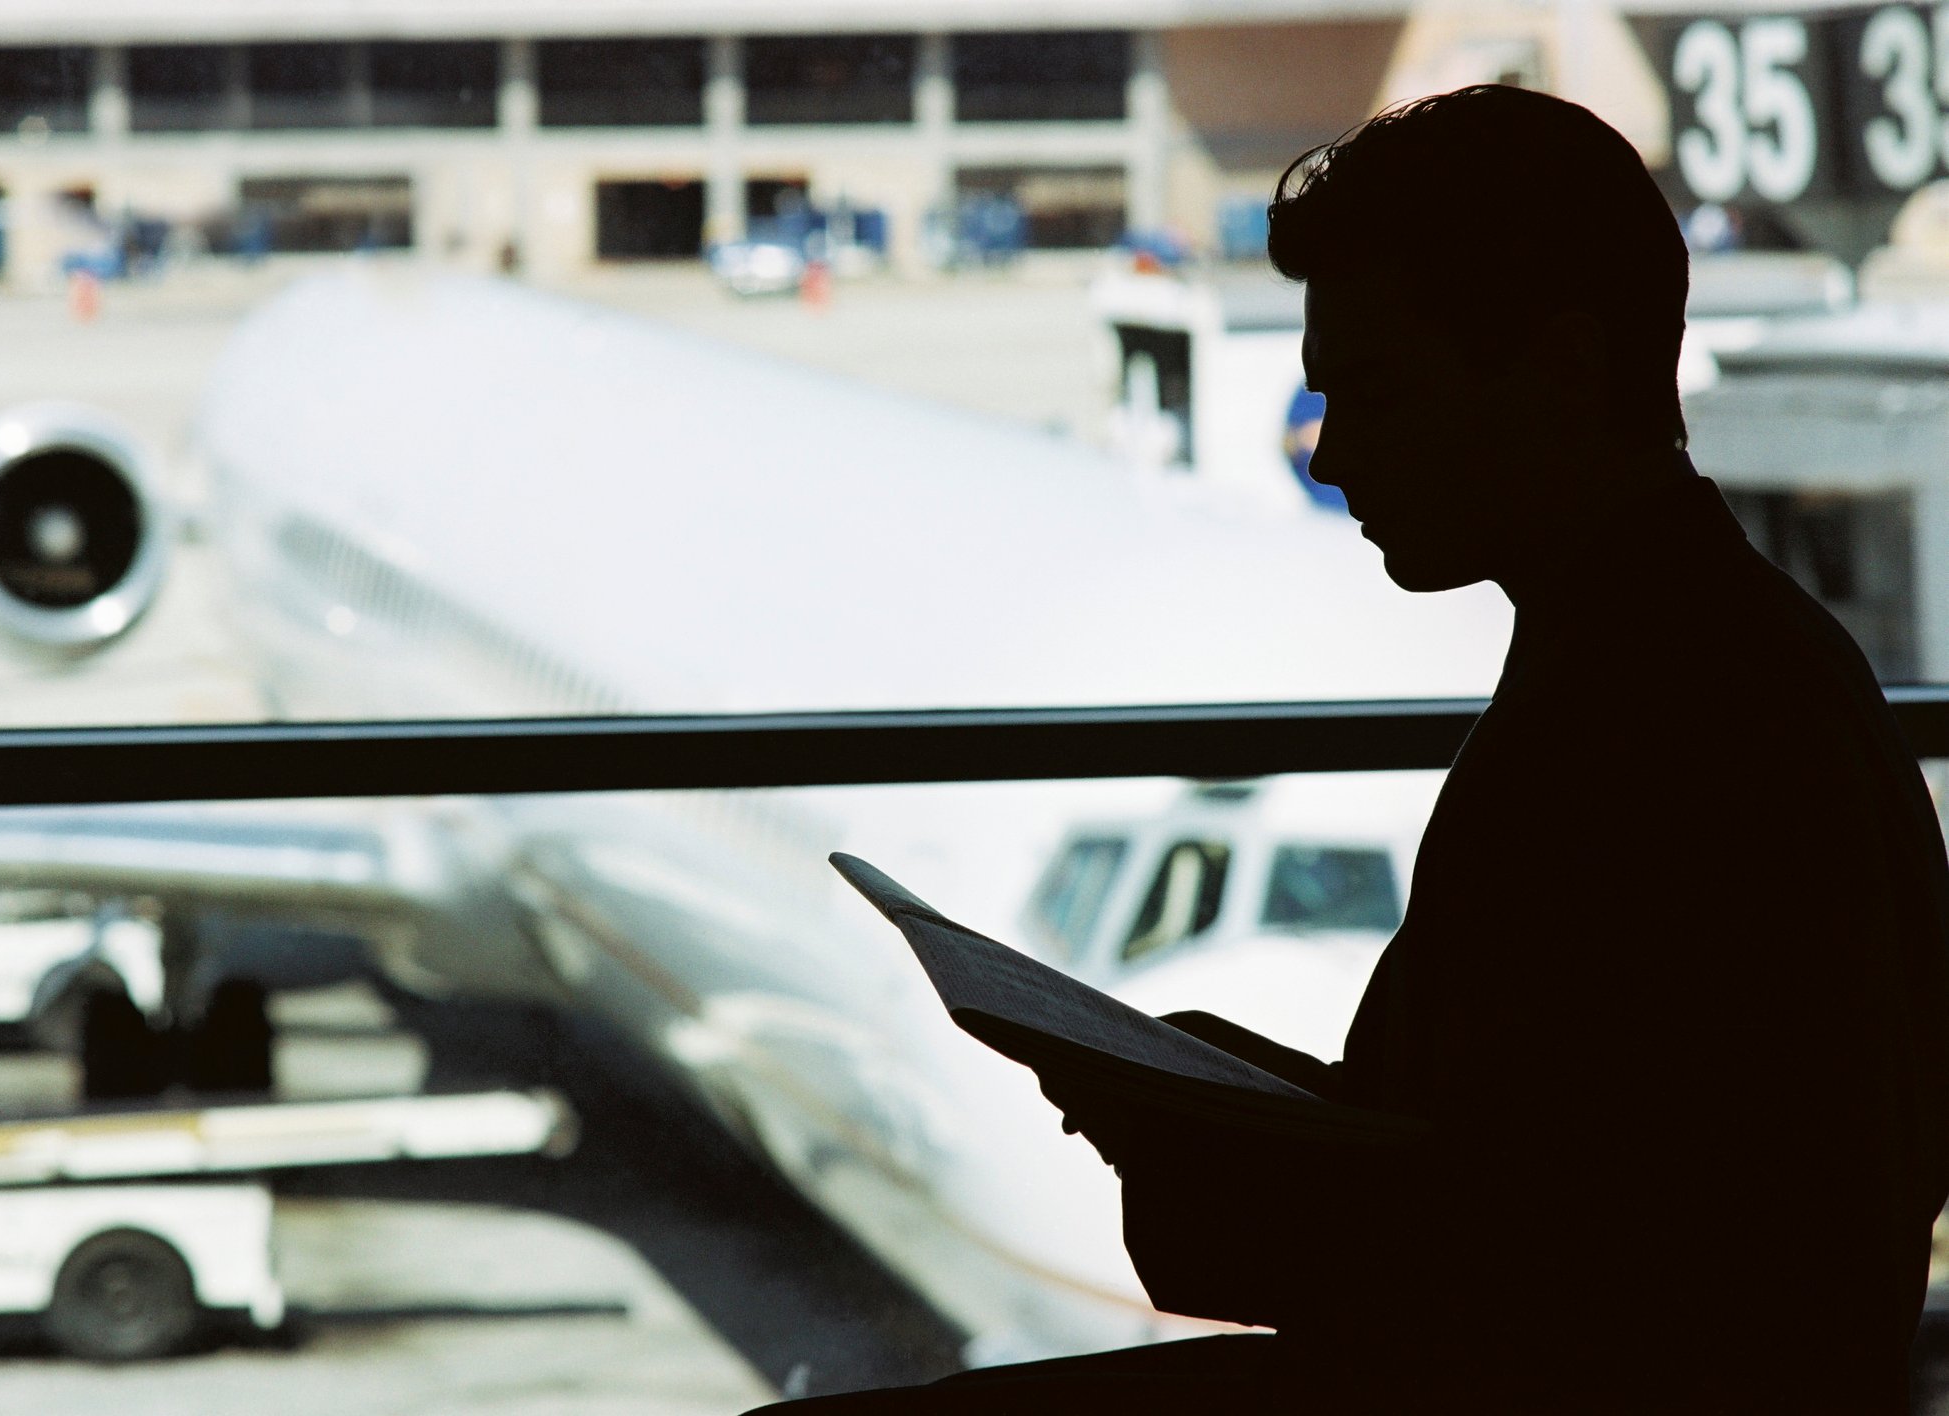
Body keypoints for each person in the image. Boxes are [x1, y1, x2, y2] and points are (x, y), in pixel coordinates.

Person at [758, 85, 1949, 1414]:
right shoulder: (1728, 663)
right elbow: (1552, 1168)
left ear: (1558, 369)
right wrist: (1228, 1097)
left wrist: (1193, 1136)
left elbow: (1548, 1273)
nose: (1336, 454)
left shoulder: (1652, 722)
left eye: (1378, 391)